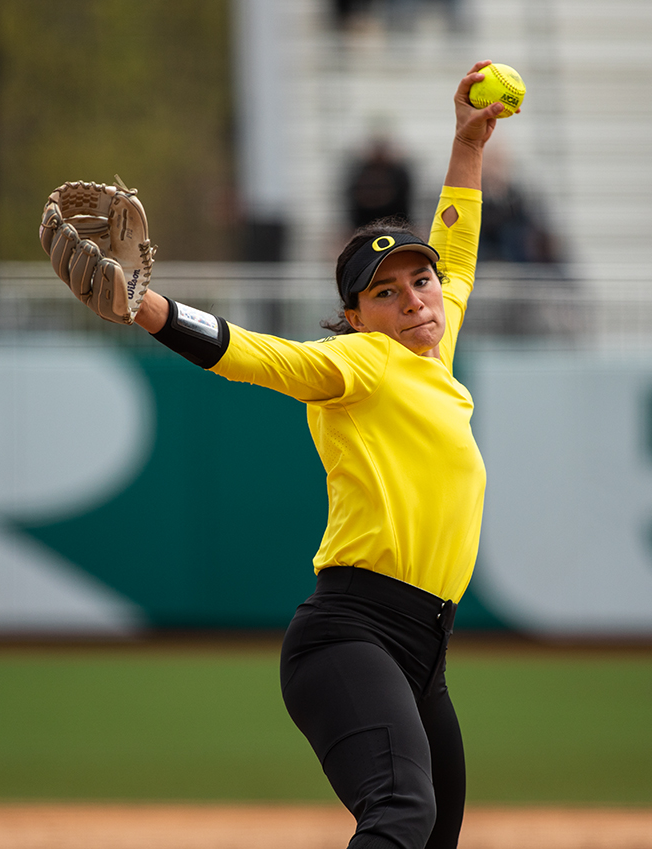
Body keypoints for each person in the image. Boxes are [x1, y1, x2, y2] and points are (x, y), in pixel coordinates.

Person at [85, 63, 506, 849]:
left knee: (432, 835)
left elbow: (459, 241)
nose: (415, 298)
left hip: (423, 651)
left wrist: (467, 144)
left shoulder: (431, 354)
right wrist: (148, 307)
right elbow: (256, 355)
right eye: (387, 292)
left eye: (421, 281)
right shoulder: (361, 364)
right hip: (353, 635)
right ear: (355, 315)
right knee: (402, 813)